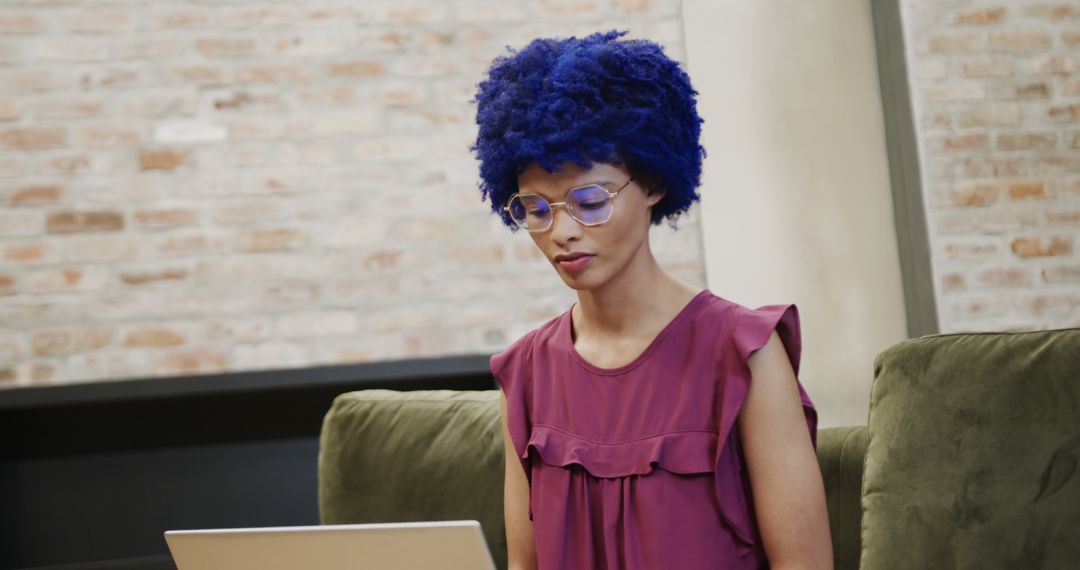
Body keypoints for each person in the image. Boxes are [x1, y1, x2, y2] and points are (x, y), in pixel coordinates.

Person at [472, 30, 832, 570]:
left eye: (589, 201)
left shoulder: (743, 354)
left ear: (655, 183)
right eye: (536, 209)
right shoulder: (525, 374)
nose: (561, 231)